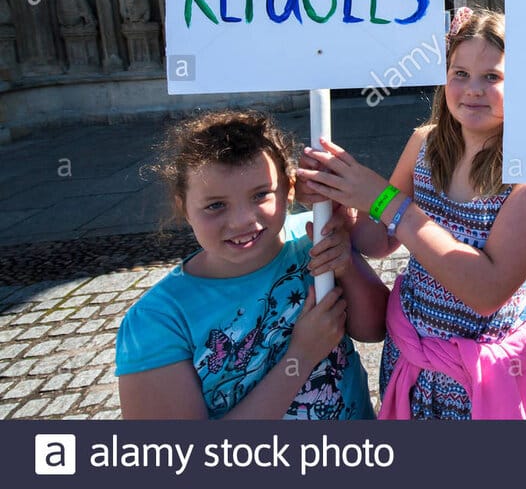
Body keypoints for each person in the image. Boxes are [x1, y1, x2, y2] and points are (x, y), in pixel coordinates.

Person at [297, 8, 526, 419]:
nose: (472, 89)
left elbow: (486, 291)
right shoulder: (425, 144)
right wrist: (341, 201)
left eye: (492, 77)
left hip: (483, 378)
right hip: (411, 360)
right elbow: (379, 239)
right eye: (459, 73)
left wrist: (384, 200)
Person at [116, 111, 388, 419]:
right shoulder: (157, 321)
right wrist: (301, 356)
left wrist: (346, 263)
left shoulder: (313, 240)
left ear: (289, 189)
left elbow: (376, 327)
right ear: (184, 207)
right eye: (215, 205)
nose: (242, 220)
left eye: (260, 195)